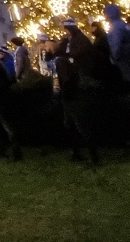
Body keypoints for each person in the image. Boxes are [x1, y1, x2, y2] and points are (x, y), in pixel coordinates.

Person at [55, 19, 100, 164]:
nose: (65, 32)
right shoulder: (67, 43)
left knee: (82, 124)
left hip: (78, 87)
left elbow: (81, 57)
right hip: (70, 91)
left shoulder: (81, 40)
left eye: (67, 29)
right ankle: (76, 152)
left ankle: (93, 156)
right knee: (70, 124)